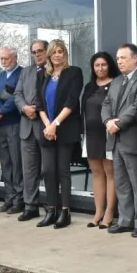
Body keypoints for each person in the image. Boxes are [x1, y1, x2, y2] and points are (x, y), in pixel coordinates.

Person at [101, 43, 137, 237]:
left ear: (135, 59)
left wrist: (118, 124)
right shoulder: (116, 82)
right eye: (118, 58)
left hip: (134, 140)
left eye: (123, 58)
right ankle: (126, 220)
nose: (119, 61)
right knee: (122, 184)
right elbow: (106, 104)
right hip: (115, 141)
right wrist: (108, 121)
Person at [34, 39, 83, 229]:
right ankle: (51, 210)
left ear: (65, 54)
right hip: (47, 130)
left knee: (63, 170)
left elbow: (71, 102)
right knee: (48, 171)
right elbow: (39, 103)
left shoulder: (74, 73)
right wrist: (48, 125)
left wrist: (56, 124)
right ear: (49, 55)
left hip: (66, 129)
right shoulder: (43, 75)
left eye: (60, 51)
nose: (57, 55)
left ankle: (65, 212)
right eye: (54, 52)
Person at [81, 51, 120, 228]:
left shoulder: (116, 84)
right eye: (97, 65)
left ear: (109, 65)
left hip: (109, 134)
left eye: (103, 64)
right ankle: (98, 212)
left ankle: (110, 213)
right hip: (91, 135)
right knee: (96, 173)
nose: (100, 68)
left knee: (110, 173)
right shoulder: (89, 86)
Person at [13, 40, 48, 221]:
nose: (37, 55)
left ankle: (51, 206)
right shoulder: (26, 72)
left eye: (40, 51)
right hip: (26, 126)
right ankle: (30, 206)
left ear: (47, 51)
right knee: (29, 170)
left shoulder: (55, 71)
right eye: (34, 52)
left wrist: (39, 110)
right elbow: (17, 94)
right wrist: (25, 108)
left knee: (47, 169)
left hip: (46, 127)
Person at [0, 47, 24, 214]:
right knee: (6, 163)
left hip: (14, 124)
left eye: (6, 59)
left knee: (17, 163)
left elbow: (17, 97)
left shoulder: (22, 74)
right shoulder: (2, 76)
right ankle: (9, 198)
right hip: (0, 126)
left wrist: (2, 111)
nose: (3, 62)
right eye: (1, 59)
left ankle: (19, 200)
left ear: (15, 58)